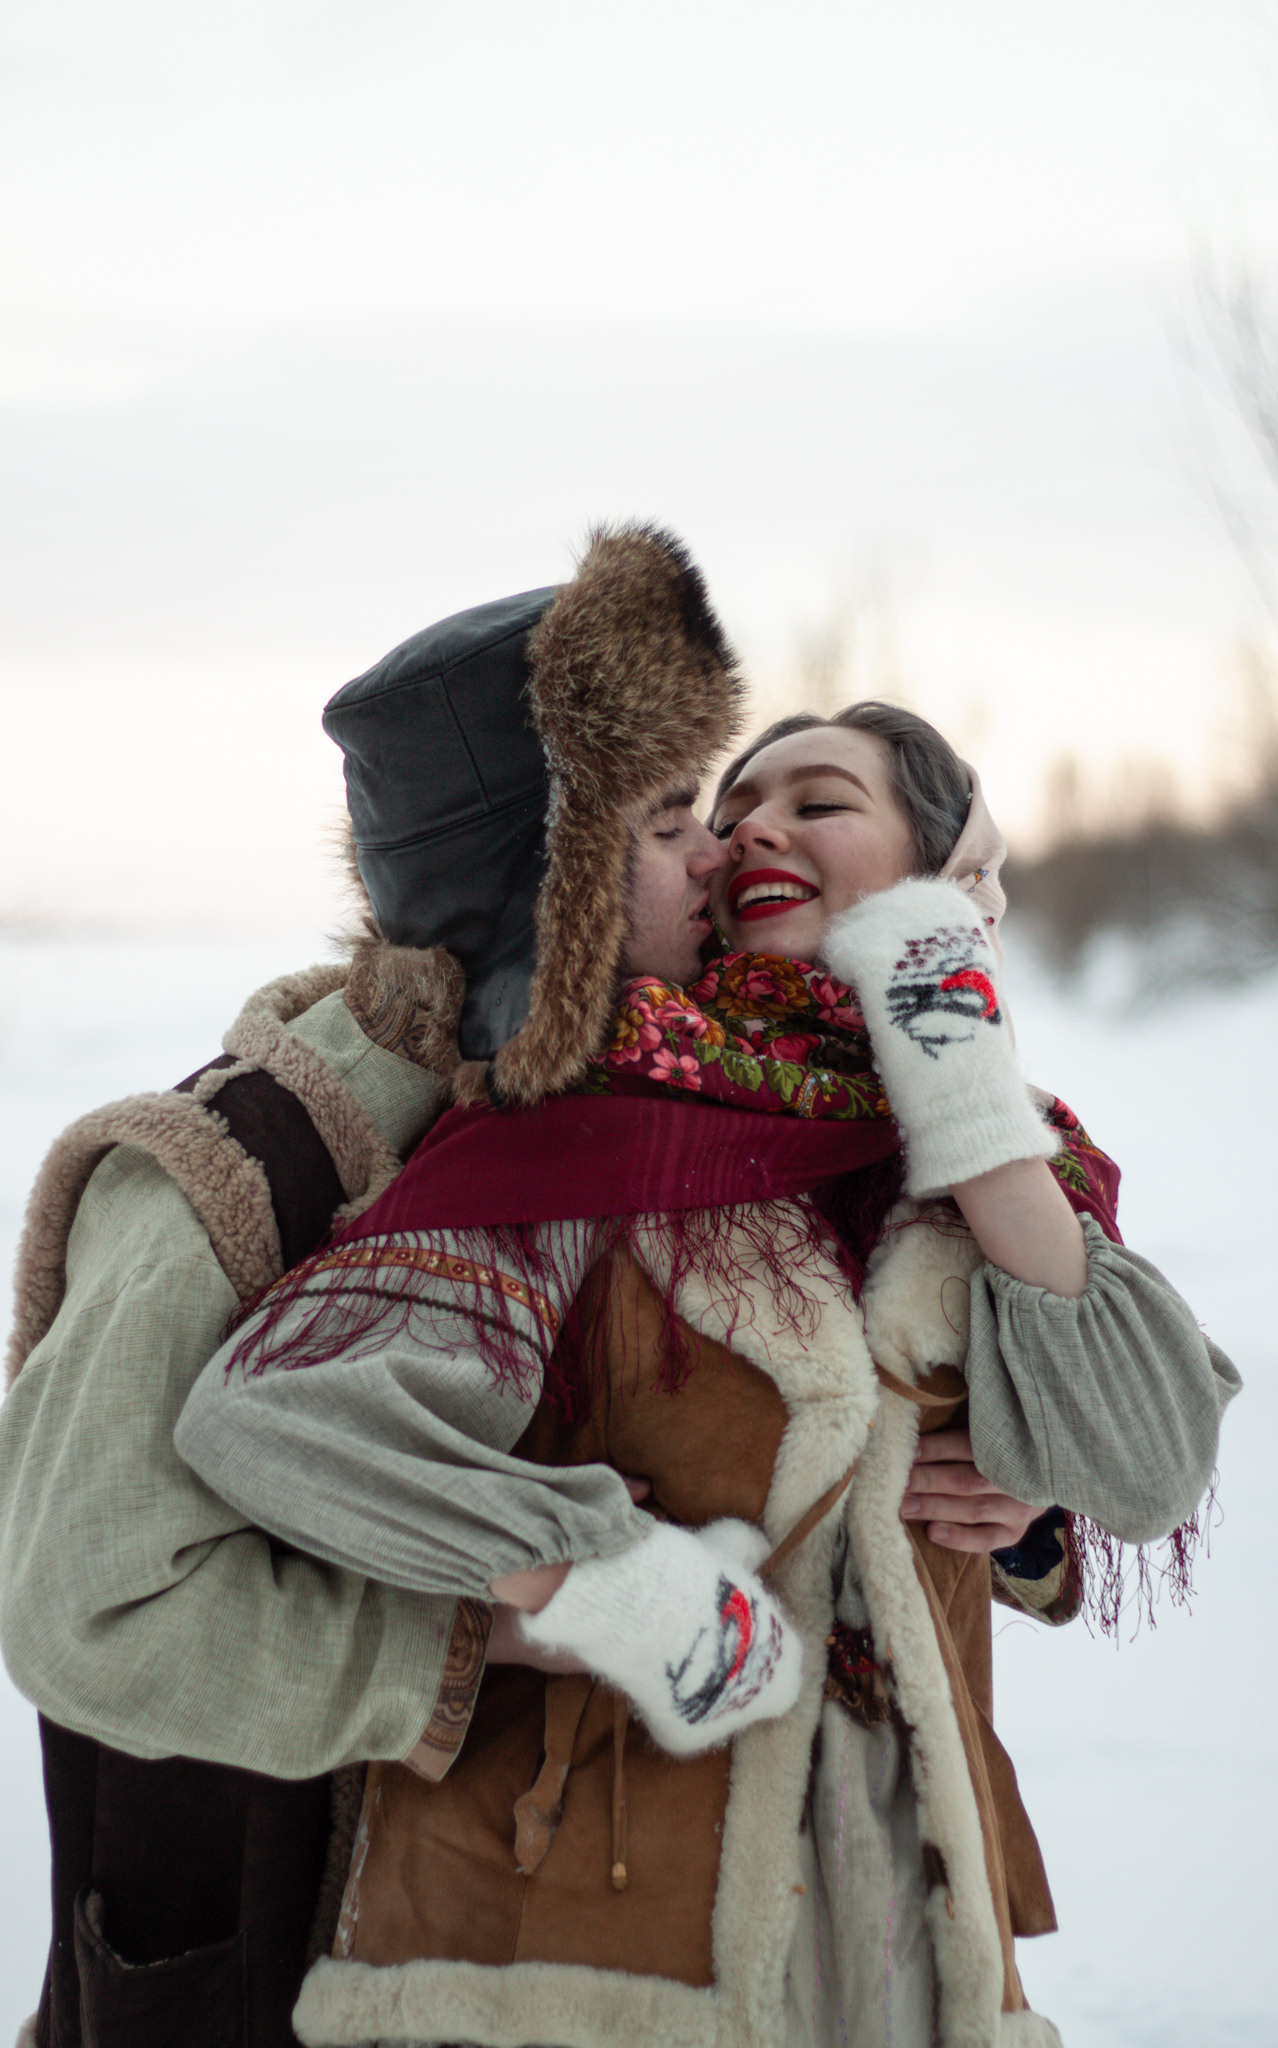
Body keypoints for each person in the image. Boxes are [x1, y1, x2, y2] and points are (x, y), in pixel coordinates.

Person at [170, 699, 1240, 2047]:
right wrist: (594, 1574)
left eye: (819, 802)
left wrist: (965, 1094)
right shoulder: (581, 1122)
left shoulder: (1005, 1173)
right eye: (730, 812)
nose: (751, 833)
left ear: (945, 872)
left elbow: (1145, 1468)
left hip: (898, 1942)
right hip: (563, 1947)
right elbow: (279, 1418)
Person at [0, 522, 746, 2048]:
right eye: (669, 820)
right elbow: (81, 1609)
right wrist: (481, 1639)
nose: (718, 854)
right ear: (548, 880)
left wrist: (1002, 1507)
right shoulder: (237, 1170)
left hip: (561, 1947)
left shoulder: (671, 1104)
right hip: (257, 1960)